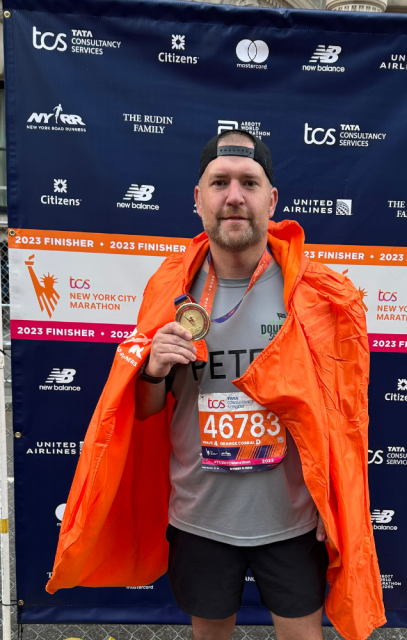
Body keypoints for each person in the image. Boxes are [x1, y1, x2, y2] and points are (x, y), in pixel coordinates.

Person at [48, 129, 387, 640]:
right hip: (199, 519)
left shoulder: (316, 293)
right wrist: (154, 368)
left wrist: (335, 502)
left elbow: (344, 419)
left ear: (271, 200)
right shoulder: (170, 289)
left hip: (293, 521)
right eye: (220, 182)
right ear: (198, 198)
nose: (234, 196)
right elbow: (142, 411)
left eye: (249, 183)